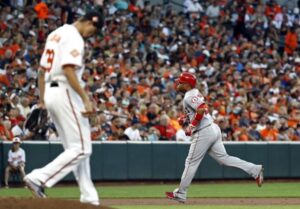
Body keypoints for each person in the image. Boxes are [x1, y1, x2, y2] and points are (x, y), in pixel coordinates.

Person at [23, 6, 105, 206]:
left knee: (75, 148)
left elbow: (42, 72)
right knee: (83, 148)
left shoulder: (56, 34)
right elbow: (68, 69)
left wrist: (43, 101)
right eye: (93, 31)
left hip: (52, 92)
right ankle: (38, 178)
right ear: (90, 22)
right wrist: (85, 98)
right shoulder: (75, 36)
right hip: (65, 90)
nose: (91, 35)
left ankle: (89, 197)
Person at [165, 72, 264, 203]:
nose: (178, 83)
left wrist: (191, 125)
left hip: (204, 131)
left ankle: (181, 193)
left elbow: (201, 108)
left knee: (191, 162)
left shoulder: (189, 96)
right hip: (212, 128)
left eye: (181, 82)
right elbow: (200, 110)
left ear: (187, 84)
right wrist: (186, 118)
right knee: (224, 159)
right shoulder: (194, 92)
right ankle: (254, 169)